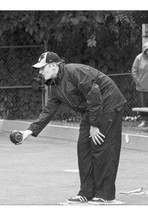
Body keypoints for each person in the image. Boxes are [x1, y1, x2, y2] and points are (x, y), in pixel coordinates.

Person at [18, 51, 127, 204]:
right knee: (83, 147)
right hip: (92, 111)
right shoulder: (56, 86)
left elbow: (95, 96)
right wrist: (28, 131)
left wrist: (94, 125)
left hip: (108, 104)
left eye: (43, 68)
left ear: (54, 65)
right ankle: (86, 193)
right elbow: (48, 110)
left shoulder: (75, 72)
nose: (40, 72)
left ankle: (104, 195)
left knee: (102, 148)